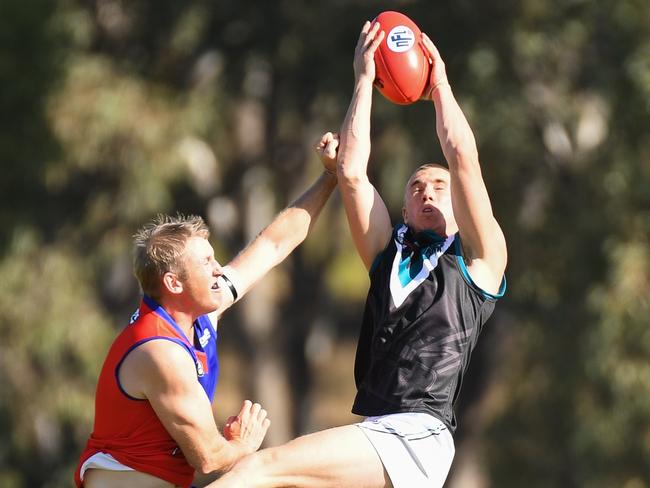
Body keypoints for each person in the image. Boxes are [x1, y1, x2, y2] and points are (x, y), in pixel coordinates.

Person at [208, 19, 507, 488]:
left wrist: (441, 85)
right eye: (416, 187)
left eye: (440, 186)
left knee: (260, 467)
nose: (428, 192)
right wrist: (365, 79)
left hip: (417, 433)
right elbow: (350, 173)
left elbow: (462, 157)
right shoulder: (389, 255)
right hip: (379, 427)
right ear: (403, 206)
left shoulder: (479, 263)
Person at [74, 136, 340, 488]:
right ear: (174, 283)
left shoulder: (197, 317)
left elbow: (274, 244)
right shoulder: (161, 352)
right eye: (206, 263)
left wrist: (331, 177)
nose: (219, 269)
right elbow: (210, 459)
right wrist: (242, 444)